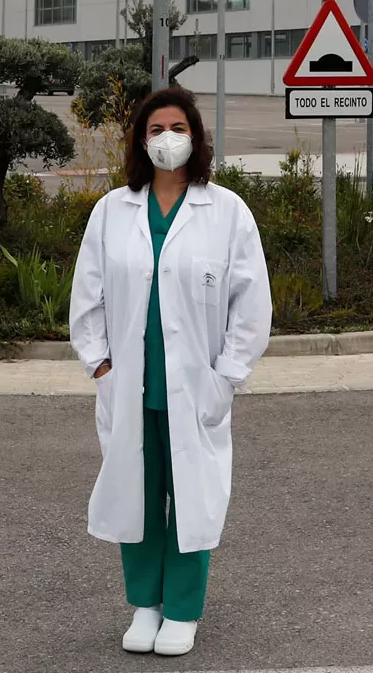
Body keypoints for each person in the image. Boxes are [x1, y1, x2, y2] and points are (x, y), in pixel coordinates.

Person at [69, 87, 272, 657]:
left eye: (176, 127)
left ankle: (182, 610)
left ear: (196, 135)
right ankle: (146, 606)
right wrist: (100, 365)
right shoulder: (113, 209)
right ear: (140, 140)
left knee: (191, 497)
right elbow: (88, 296)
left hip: (195, 388)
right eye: (154, 129)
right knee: (135, 494)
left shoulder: (226, 211)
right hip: (129, 386)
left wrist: (227, 376)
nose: (166, 139)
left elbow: (251, 303)